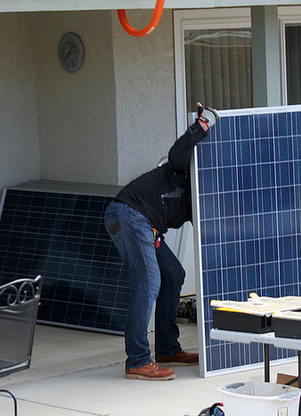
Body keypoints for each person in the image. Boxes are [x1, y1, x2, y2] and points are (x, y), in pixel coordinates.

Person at [104, 104, 219, 381]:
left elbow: (210, 234)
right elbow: (176, 153)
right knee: (148, 281)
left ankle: (167, 349)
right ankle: (138, 360)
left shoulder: (205, 193)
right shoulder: (185, 167)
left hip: (146, 223)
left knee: (173, 273)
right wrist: (200, 128)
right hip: (129, 213)